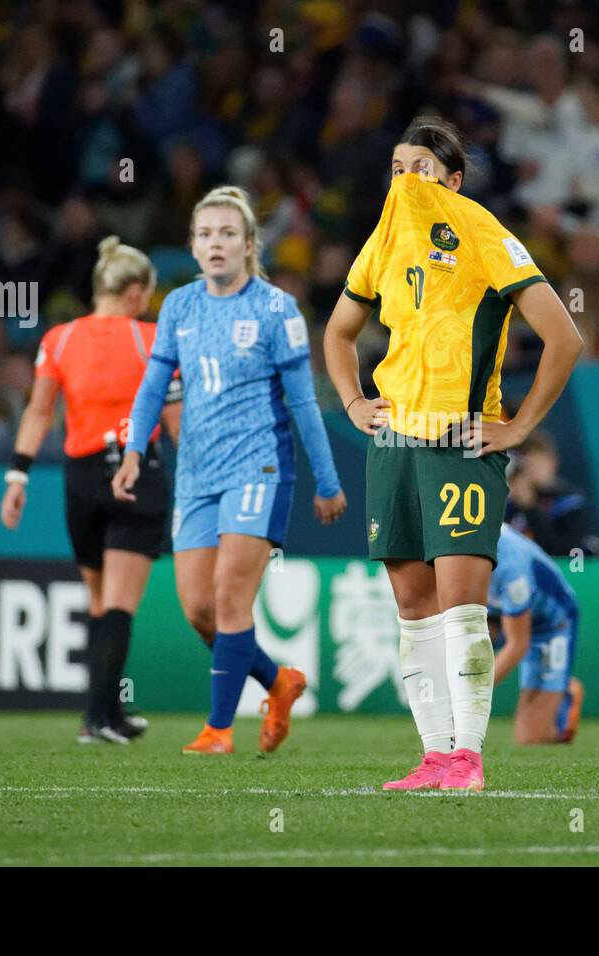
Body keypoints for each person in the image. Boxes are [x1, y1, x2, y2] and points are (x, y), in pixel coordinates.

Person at [324, 117, 583, 792]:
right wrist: (355, 404)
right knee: (413, 608)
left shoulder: (482, 230)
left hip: (460, 447)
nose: (406, 179)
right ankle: (435, 755)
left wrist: (519, 427)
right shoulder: (383, 239)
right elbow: (339, 333)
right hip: (393, 447)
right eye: (397, 166)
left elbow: (564, 337)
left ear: (454, 178)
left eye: (421, 168)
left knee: (464, 606)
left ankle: (467, 757)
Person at [113, 186, 345, 756]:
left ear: (248, 245)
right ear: (192, 247)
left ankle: (218, 730)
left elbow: (302, 403)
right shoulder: (179, 307)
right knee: (199, 611)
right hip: (196, 475)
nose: (216, 244)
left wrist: (328, 479)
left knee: (230, 597)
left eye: (227, 234)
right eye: (205, 234)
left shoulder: (275, 310)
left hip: (257, 468)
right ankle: (278, 681)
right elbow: (151, 388)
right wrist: (134, 451)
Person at [0, 236, 181, 744]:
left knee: (98, 601)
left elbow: (38, 413)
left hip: (78, 479)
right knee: (120, 606)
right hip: (136, 473)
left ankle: (99, 716)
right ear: (134, 291)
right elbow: (176, 424)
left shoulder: (57, 340)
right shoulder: (153, 340)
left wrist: (18, 476)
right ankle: (100, 718)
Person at [488, 524, 584, 745]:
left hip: (550, 623)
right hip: (495, 613)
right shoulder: (453, 544)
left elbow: (517, 645)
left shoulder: (511, 567)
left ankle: (564, 694)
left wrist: (468, 696)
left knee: (532, 738)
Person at [505, 429, 599, 557]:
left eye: (536, 462)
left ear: (552, 462)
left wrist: (530, 506)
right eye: (524, 465)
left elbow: (564, 551)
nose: (530, 470)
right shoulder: (511, 504)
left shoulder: (569, 502)